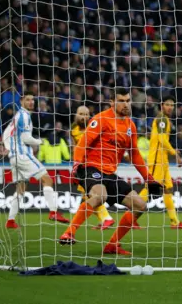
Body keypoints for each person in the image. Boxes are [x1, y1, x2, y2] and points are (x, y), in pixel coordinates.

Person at [59, 88, 154, 256]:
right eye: (121, 101)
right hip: (91, 167)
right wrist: (76, 166)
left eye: (127, 100)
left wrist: (149, 178)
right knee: (99, 196)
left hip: (109, 173)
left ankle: (112, 245)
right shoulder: (101, 119)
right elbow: (83, 144)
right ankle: (69, 232)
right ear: (112, 102)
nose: (126, 104)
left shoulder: (130, 125)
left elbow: (135, 154)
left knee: (140, 205)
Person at [3, 94, 69, 229]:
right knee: (47, 179)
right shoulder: (24, 116)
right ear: (21, 101)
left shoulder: (17, 117)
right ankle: (54, 212)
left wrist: (9, 148)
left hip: (14, 157)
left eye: (32, 99)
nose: (31, 102)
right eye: (27, 99)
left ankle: (10, 221)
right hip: (22, 155)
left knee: (20, 188)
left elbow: (6, 134)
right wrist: (40, 141)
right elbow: (26, 138)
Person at [138, 96, 182, 229]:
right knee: (149, 189)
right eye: (167, 104)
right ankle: (130, 216)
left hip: (163, 160)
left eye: (172, 105)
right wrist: (175, 154)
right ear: (162, 105)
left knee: (168, 189)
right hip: (156, 159)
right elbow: (161, 140)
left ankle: (175, 222)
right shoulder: (162, 119)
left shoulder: (165, 120)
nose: (170, 107)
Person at [70, 105, 114, 230]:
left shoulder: (94, 127)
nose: (84, 117)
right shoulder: (73, 129)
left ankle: (106, 218)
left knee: (90, 195)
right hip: (80, 166)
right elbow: (75, 147)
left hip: (92, 166)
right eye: (81, 114)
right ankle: (103, 220)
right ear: (76, 115)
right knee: (87, 196)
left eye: (86, 114)